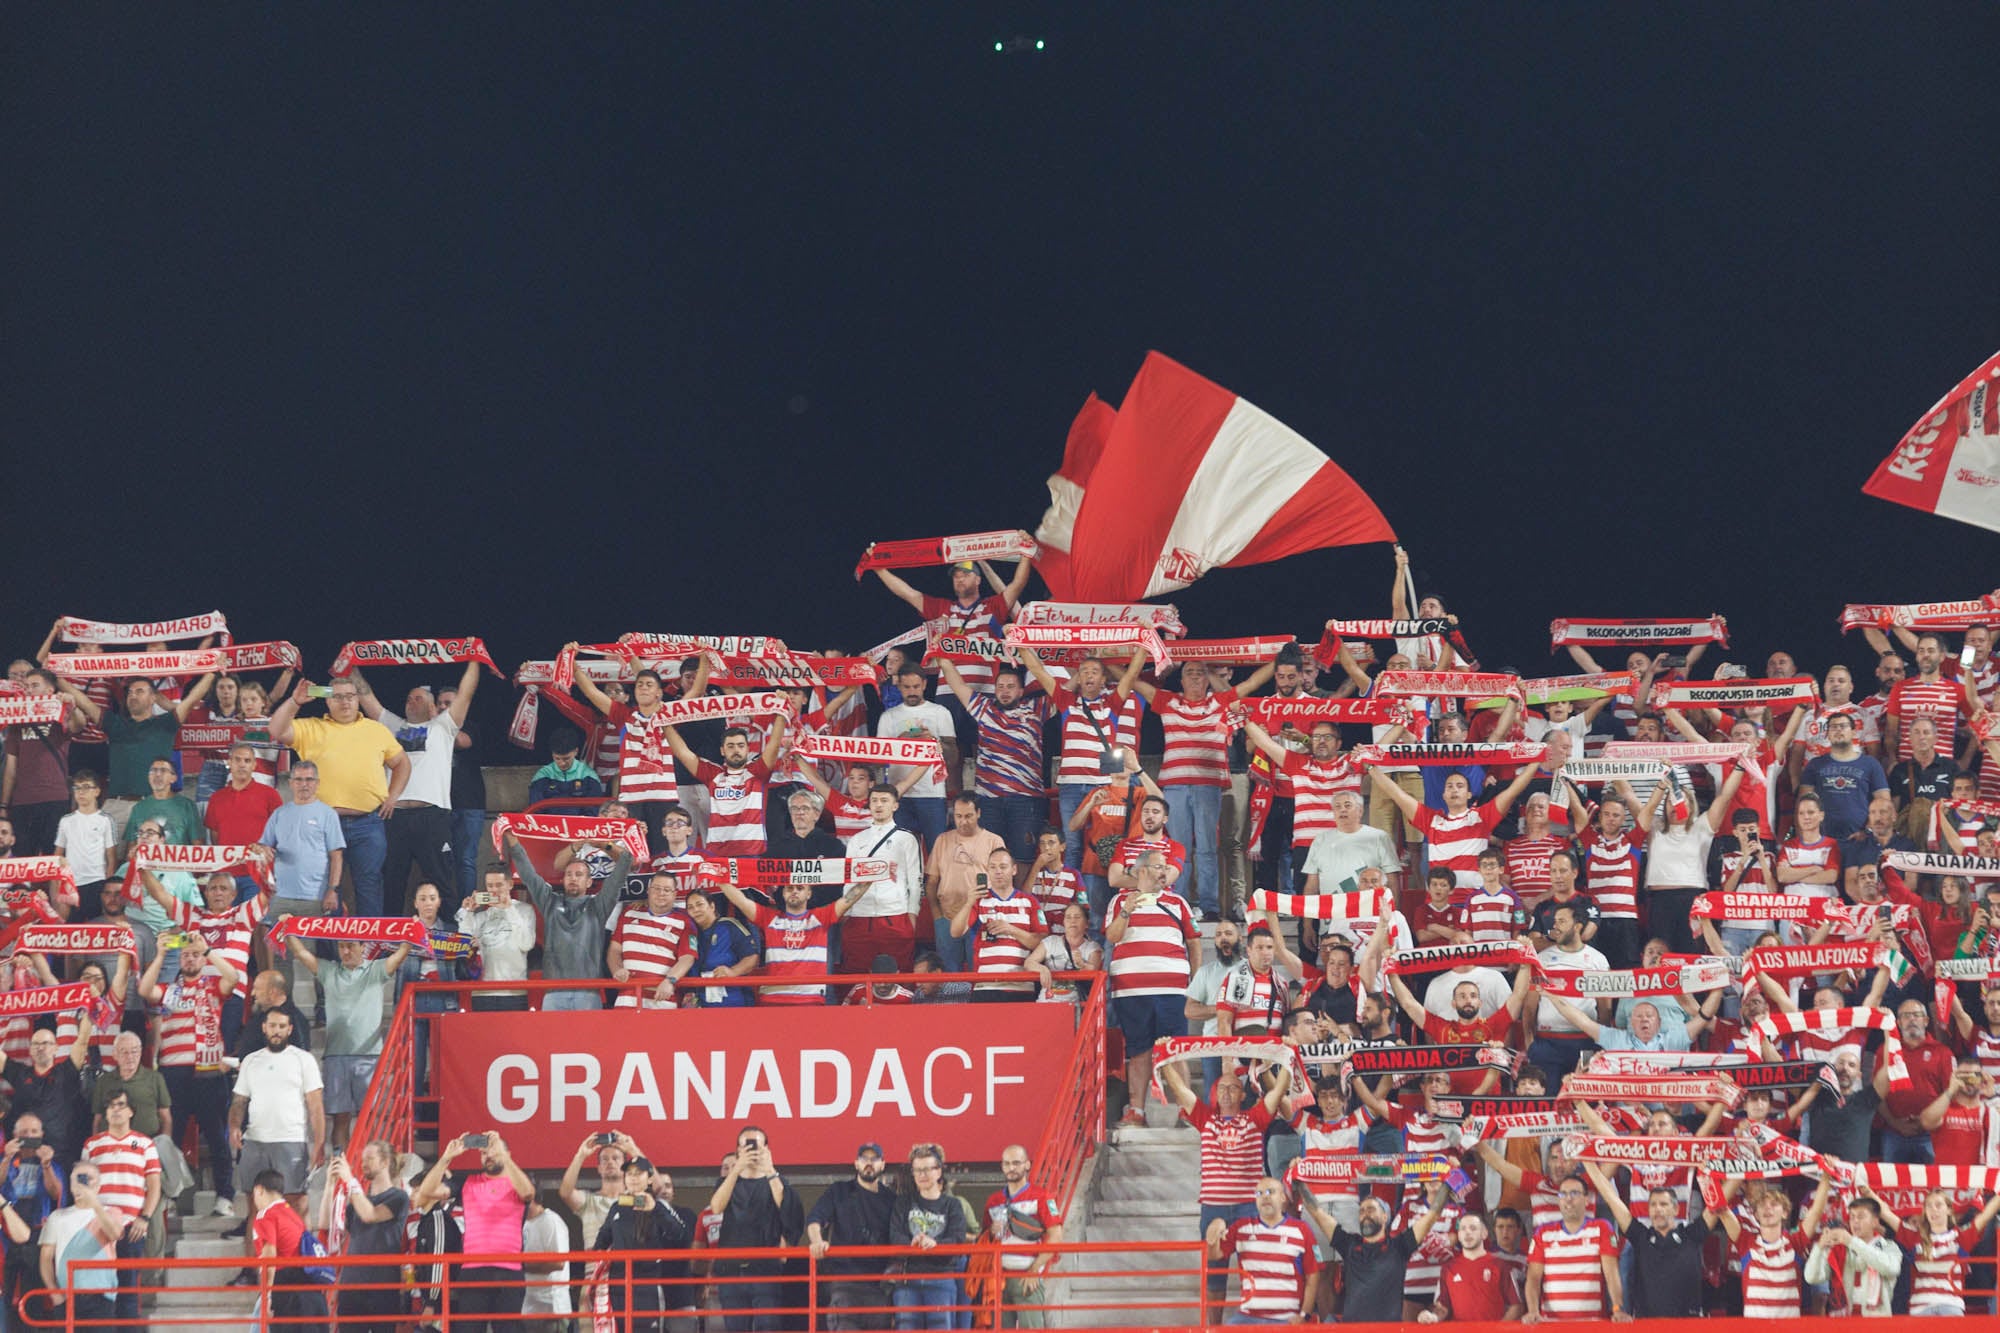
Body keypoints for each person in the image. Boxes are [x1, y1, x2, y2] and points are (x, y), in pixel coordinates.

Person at [1132, 655, 1277, 920]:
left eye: (1201, 672)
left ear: (1209, 677)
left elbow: (1253, 682)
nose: (1196, 676)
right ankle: (1183, 902)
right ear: (1182, 678)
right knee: (1179, 848)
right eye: (1190, 672)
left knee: (1208, 847)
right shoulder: (1168, 701)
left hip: (1207, 786)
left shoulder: (1219, 702)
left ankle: (1209, 907)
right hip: (1174, 786)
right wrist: (1106, 659)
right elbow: (1134, 681)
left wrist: (1279, 657)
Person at [1157, 1061, 1291, 1324]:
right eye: (1222, 1088)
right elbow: (1179, 1089)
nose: (1227, 1092)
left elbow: (1279, 1092)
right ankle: (1213, 1328)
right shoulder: (1205, 1118)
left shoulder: (1255, 1118)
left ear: (1243, 1095)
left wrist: (1286, 1058)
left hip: (1248, 1208)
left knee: (1251, 1272)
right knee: (1214, 1275)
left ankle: (1250, 1325)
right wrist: (1164, 1061)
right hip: (1213, 1208)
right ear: (1215, 1094)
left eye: (1233, 1087)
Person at [268, 677, 411, 918]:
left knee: (369, 885)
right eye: (337, 696)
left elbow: (402, 763)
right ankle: (331, 950)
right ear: (327, 702)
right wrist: (294, 701)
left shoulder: (376, 730)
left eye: (350, 696)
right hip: (322, 824)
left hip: (368, 822)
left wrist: (393, 796)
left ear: (358, 700)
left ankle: (368, 949)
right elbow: (276, 730)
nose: (345, 701)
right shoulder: (311, 727)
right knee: (324, 887)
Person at [355, 658, 480, 908]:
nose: (411, 702)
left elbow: (466, 693)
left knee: (443, 881)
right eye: (409, 699)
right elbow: (366, 695)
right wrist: (351, 665)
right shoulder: (393, 726)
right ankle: (389, 941)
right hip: (394, 816)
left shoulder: (444, 726)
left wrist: (475, 659)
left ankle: (450, 940)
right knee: (391, 880)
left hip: (432, 816)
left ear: (433, 706)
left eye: (418, 698)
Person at [282, 930, 410, 1149]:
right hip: (335, 1056)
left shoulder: (375, 969)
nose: (346, 951)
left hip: (369, 1056)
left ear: (363, 947)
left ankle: (370, 1166)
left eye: (351, 946)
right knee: (340, 1118)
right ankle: (344, 1166)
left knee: (370, 1117)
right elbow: (302, 954)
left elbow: (401, 955)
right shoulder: (329, 970)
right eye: (341, 946)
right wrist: (288, 930)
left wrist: (410, 932)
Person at [1106, 849, 1201, 1126]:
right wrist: (1127, 910)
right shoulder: (1118, 901)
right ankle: (1137, 1110)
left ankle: (1187, 1110)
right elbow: (1112, 936)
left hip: (1172, 990)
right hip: (1130, 990)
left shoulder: (1178, 901)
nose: (1165, 872)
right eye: (1160, 867)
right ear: (1143, 870)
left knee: (1176, 1050)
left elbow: (1194, 941)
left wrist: (1194, 982)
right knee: (1138, 1051)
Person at [57, 671, 216, 836]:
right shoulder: (114, 724)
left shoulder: (166, 724)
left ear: (154, 698)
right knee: (108, 860)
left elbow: (191, 699)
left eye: (140, 691)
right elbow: (85, 702)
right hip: (118, 806)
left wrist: (212, 671)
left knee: (152, 861)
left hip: (153, 806)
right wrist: (56, 677)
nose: (133, 696)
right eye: (130, 692)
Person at [414, 1132, 536, 1333]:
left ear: (507, 1153)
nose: (488, 1156)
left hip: (509, 1270)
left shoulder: (517, 1182)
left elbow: (528, 1193)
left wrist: (503, 1156)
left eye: (493, 1151)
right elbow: (426, 1192)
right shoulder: (467, 1182)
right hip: (473, 1270)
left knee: (509, 1330)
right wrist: (446, 1158)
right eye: (483, 1153)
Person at [1576, 1159, 1729, 1319]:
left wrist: (1746, 1166)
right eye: (1653, 1205)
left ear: (1676, 1209)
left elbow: (1721, 1199)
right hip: (1647, 1325)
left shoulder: (1692, 1234)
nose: (1658, 1209)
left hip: (1688, 1324)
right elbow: (1609, 1196)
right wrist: (1586, 1160)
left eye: (1663, 1204)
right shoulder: (1641, 1236)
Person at [503, 825, 630, 1010]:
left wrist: (604, 845)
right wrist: (513, 841)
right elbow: (529, 875)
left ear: (589, 882)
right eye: (569, 874)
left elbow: (626, 860)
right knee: (551, 1040)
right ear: (562, 880)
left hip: (589, 992)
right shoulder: (550, 902)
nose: (573, 878)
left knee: (587, 1040)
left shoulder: (599, 905)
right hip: (553, 991)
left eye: (579, 875)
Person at [932, 659, 1048, 861]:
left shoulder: (1037, 709)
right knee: (990, 858)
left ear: (1021, 691)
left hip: (1025, 799)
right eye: (1000, 686)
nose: (1005, 691)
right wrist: (943, 658)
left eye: (1011, 687)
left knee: (1023, 857)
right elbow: (957, 684)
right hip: (989, 801)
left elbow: (1065, 691)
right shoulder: (984, 709)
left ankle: (1021, 894)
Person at [256, 762, 346, 1004]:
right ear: (291, 783)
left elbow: (336, 855)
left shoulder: (327, 814)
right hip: (281, 897)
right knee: (281, 958)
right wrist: (264, 850)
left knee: (320, 959)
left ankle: (323, 1010)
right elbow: (264, 845)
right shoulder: (279, 814)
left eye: (309, 780)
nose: (304, 784)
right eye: (299, 779)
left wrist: (332, 890)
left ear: (317, 783)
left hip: (315, 897)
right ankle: (283, 1009)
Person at [228, 1007, 324, 1229]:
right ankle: (253, 1264)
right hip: (255, 1141)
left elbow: (316, 1106)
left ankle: (301, 1262)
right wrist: (234, 1126)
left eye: (282, 1026)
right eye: (272, 1026)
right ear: (264, 1028)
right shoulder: (251, 1061)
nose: (277, 1031)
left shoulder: (304, 1060)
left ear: (290, 1029)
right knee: (254, 1207)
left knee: (297, 1203)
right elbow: (239, 1101)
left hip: (290, 1140)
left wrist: (319, 1142)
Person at [710, 872, 872, 1004]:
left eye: (800, 888)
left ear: (809, 893)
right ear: (783, 892)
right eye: (789, 888)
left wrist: (872, 877)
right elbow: (740, 900)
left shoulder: (822, 917)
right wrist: (718, 877)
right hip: (773, 999)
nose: (794, 891)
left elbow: (849, 899)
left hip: (811, 999)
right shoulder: (769, 918)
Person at [1303, 1185, 1449, 1325]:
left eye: (1371, 1209)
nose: (1365, 1213)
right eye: (1361, 1211)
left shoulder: (1399, 1246)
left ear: (1385, 1217)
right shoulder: (1349, 1245)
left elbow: (1432, 1215)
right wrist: (1298, 1181)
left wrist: (1449, 1181)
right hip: (1353, 1330)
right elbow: (1317, 1213)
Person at [708, 1125, 804, 1332]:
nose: (752, 1151)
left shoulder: (779, 1181)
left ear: (767, 1149)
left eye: (757, 1146)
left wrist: (769, 1169)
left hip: (766, 1270)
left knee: (768, 1327)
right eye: (747, 1146)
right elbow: (716, 1206)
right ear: (737, 1151)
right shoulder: (726, 1182)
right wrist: (736, 1168)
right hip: (731, 1271)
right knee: (735, 1328)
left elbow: (788, 1208)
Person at [79, 1089, 161, 1324]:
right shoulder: (92, 1144)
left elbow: (154, 1186)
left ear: (131, 1111)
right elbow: (83, 1184)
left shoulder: (145, 1143)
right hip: (98, 1228)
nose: (115, 1109)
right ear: (105, 1112)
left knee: (128, 1290)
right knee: (99, 1291)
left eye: (121, 1104)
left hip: (131, 1228)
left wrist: (144, 1218)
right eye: (111, 1105)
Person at [1202, 1175, 1318, 1326]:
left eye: (1270, 1192)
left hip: (1286, 1319)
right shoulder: (1241, 1227)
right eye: (1259, 1194)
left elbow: (1313, 1276)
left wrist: (1304, 1315)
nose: (1265, 1197)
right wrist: (1213, 1234)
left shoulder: (1302, 1230)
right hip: (1247, 1318)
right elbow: (1214, 1256)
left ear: (1283, 1197)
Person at [594, 1153, 692, 1333]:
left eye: (638, 1173)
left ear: (649, 1179)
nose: (633, 1178)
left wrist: (654, 1209)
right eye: (629, 1174)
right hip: (618, 1283)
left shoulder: (659, 1205)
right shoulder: (617, 1206)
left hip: (648, 1284)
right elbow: (602, 1239)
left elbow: (681, 1235)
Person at [806, 1140, 898, 1331]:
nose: (869, 1163)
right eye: (864, 1158)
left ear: (883, 1164)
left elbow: (900, 1235)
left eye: (875, 1158)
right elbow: (814, 1220)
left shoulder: (892, 1200)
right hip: (844, 1284)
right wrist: (817, 1241)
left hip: (879, 1286)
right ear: (856, 1163)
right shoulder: (838, 1191)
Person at [1874, 1184, 2000, 1317]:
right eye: (1928, 1206)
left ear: (1949, 1210)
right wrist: (1866, 1191)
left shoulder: (1961, 1237)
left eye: (1938, 1205)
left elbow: (1986, 1215)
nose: (1933, 1210)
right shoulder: (1914, 1237)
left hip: (1951, 1305)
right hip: (1921, 1307)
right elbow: (1886, 1214)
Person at [325, 1140, 412, 1333]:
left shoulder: (399, 1197)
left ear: (385, 1162)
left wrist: (350, 1181)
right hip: (351, 1284)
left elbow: (370, 1215)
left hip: (382, 1285)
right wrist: (330, 1185)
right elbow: (326, 1223)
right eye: (362, 1159)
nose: (364, 1163)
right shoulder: (358, 1201)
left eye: (370, 1158)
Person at [841, 784, 926, 973]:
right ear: (869, 805)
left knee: (898, 973)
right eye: (874, 801)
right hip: (859, 917)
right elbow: (849, 881)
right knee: (857, 974)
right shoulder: (857, 839)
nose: (879, 805)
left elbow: (916, 880)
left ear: (895, 805)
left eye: (884, 800)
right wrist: (847, 913)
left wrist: (912, 915)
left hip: (895, 915)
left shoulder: (907, 838)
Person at [1523, 1172, 1624, 1323]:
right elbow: (1533, 1278)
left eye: (1574, 1193)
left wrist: (1617, 1309)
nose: (1568, 1198)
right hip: (1551, 1325)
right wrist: (1532, 1311)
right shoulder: (1543, 1233)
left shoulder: (1602, 1228)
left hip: (1592, 1324)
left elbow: (1612, 1274)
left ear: (1587, 1200)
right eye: (1563, 1193)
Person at [877, 664, 959, 847]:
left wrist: (934, 743)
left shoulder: (940, 713)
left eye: (916, 686)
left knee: (936, 851)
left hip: (932, 794)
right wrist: (900, 742)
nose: (912, 691)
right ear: (899, 686)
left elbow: (953, 757)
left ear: (924, 684)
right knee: (900, 851)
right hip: (899, 794)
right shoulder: (888, 717)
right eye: (906, 687)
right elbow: (878, 760)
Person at [888, 1142, 966, 1331]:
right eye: (917, 1170)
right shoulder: (903, 1202)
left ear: (938, 1171)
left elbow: (957, 1238)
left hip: (942, 1278)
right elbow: (894, 1235)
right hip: (908, 1278)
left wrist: (935, 1243)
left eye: (927, 1169)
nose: (922, 1174)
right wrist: (911, 1243)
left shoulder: (952, 1205)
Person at [926, 795, 1008, 974]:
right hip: (947, 917)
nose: (963, 821)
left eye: (968, 816)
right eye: (958, 816)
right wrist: (937, 916)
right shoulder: (943, 840)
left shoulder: (994, 841)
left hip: (981, 918)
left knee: (981, 971)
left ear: (978, 813)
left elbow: (1004, 882)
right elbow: (932, 881)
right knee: (948, 975)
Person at [35, 1162, 124, 1329]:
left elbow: (114, 1234)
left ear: (99, 1184)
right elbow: (45, 1258)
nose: (82, 1184)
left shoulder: (112, 1212)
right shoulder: (57, 1216)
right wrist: (55, 1294)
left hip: (102, 1296)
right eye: (77, 1179)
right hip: (67, 1296)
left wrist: (95, 1204)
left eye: (87, 1179)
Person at [983, 1145, 1062, 1329]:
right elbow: (985, 1238)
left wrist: (1034, 1270)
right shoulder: (993, 1201)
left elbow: (1056, 1236)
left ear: (1027, 1165)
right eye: (1007, 1163)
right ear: (1002, 1166)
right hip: (999, 1278)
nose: (1011, 1168)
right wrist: (991, 1232)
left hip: (1028, 1276)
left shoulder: (1042, 1197)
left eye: (1016, 1163)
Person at [949, 846, 1043, 1002]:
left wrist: (1011, 930)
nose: (998, 871)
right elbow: (955, 932)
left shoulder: (1029, 902)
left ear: (1014, 870)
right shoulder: (979, 900)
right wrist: (969, 902)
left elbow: (1041, 943)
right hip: (986, 986)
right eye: (992, 867)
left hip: (1021, 987)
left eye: (1003, 866)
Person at [1, 1113, 66, 1324]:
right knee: (8, 1291)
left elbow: (57, 1194)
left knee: (36, 1291)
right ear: (14, 1135)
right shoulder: (5, 1160)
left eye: (33, 1132)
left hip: (39, 1231)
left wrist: (46, 1165)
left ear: (42, 1134)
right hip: (7, 1233)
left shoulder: (51, 1162)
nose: (28, 1136)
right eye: (23, 1132)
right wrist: (7, 1157)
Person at [3, 1016, 91, 1169]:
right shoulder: (20, 1074)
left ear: (56, 1047)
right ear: (30, 1049)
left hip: (60, 1157)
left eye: (46, 1043)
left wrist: (91, 1005)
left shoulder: (66, 1072)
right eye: (36, 1043)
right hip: (26, 1157)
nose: (40, 1047)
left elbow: (83, 1040)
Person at [608, 872, 699, 1008]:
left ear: (675, 894)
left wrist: (670, 980)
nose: (661, 893)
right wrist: (617, 969)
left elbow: (687, 958)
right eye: (656, 888)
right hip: (627, 997)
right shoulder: (629, 913)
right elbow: (614, 949)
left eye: (667, 890)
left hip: (663, 999)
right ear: (648, 890)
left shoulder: (685, 922)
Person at [1803, 1196, 1903, 1318]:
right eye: (1852, 1217)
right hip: (1843, 1322)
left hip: (1876, 1322)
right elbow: (1811, 1277)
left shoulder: (1889, 1246)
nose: (1855, 1221)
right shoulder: (1840, 1249)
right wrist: (1820, 1247)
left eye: (1860, 1217)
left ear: (1875, 1222)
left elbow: (1891, 1268)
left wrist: (1852, 1241)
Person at [1419, 1212, 1527, 1324]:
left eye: (1473, 1228)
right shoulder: (1448, 1269)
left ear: (1484, 1234)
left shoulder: (1501, 1266)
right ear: (1459, 1235)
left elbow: (1517, 1307)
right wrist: (1432, 1317)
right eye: (1463, 1229)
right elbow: (1442, 1307)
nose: (1468, 1233)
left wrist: (1498, 1329)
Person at [458, 868, 537, 1009]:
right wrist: (467, 912)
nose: (494, 890)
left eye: (499, 885)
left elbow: (526, 944)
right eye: (490, 885)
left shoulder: (524, 910)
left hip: (514, 992)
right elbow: (462, 947)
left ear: (510, 884)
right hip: (482, 993)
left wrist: (508, 908)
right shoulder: (480, 916)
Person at [685, 887, 761, 1007]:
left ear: (712, 906)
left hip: (733, 1002)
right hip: (702, 1004)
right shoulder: (690, 933)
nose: (695, 910)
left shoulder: (729, 926)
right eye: (690, 907)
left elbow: (752, 957)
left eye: (699, 904)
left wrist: (732, 971)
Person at [1024, 900, 1101, 1005]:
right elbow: (1029, 963)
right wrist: (1042, 968)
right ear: (1063, 922)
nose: (1072, 921)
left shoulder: (1093, 947)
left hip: (1075, 1005)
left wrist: (1082, 965)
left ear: (1086, 923)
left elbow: (1094, 970)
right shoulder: (1051, 941)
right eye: (1068, 917)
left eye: (1077, 917)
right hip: (1046, 1002)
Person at [529, 728, 605, 805]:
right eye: (557, 758)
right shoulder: (542, 775)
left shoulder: (589, 775)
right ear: (552, 754)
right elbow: (536, 808)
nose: (562, 763)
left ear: (576, 751)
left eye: (566, 758)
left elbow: (593, 809)